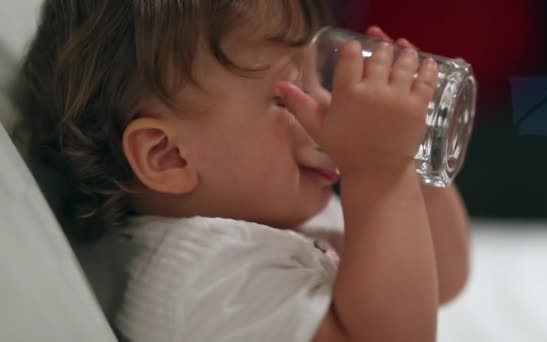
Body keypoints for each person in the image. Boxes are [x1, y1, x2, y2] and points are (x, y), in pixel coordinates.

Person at [14, 0, 470, 341]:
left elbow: (441, 279)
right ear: (168, 156)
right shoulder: (202, 275)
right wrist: (380, 175)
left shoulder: (279, 213)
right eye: (286, 97)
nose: (329, 108)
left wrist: (406, 159)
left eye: (320, 81)